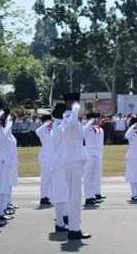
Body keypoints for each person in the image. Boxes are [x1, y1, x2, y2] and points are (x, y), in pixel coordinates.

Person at [61, 93, 91, 240]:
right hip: (72, 159)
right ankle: (74, 229)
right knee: (75, 195)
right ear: (70, 104)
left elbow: (79, 135)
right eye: (75, 103)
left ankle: (75, 227)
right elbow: (68, 128)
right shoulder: (67, 116)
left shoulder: (73, 118)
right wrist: (74, 111)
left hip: (75, 158)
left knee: (76, 195)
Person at [83, 113, 105, 206]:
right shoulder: (86, 128)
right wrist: (89, 122)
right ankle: (88, 197)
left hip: (98, 155)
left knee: (95, 176)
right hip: (88, 155)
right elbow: (82, 132)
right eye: (95, 119)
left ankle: (93, 195)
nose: (97, 120)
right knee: (87, 177)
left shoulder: (100, 130)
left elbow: (101, 144)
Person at [35, 114, 54, 206]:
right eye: (48, 121)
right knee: (45, 177)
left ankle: (50, 196)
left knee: (52, 178)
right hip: (45, 156)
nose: (50, 123)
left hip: (53, 156)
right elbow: (37, 131)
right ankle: (44, 197)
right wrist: (46, 123)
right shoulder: (42, 131)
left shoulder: (53, 131)